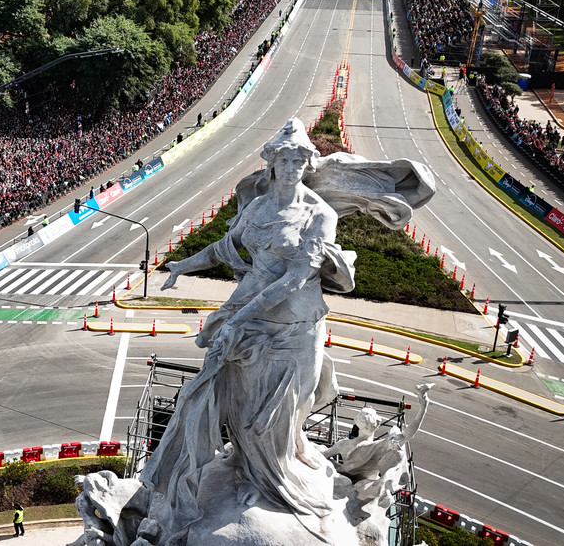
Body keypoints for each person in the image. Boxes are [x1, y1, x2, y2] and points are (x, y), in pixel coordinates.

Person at [145, 119, 433, 542]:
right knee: (244, 408)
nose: (293, 167)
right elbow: (224, 249)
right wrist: (181, 266)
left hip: (296, 325)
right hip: (250, 315)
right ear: (272, 163)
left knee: (282, 413)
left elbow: (296, 279)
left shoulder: (320, 214)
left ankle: (278, 476)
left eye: (300, 160)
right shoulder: (258, 209)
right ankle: (249, 471)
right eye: (285, 159)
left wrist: (237, 319)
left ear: (308, 164)